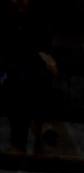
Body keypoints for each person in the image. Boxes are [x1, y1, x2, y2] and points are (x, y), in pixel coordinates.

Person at [1, 0, 59, 154]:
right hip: (8, 72)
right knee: (20, 80)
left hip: (28, 74)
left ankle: (22, 141)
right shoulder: (7, 20)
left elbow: (46, 52)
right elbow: (10, 52)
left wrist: (44, 59)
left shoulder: (36, 21)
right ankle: (40, 126)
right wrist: (38, 56)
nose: (21, 3)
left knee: (33, 77)